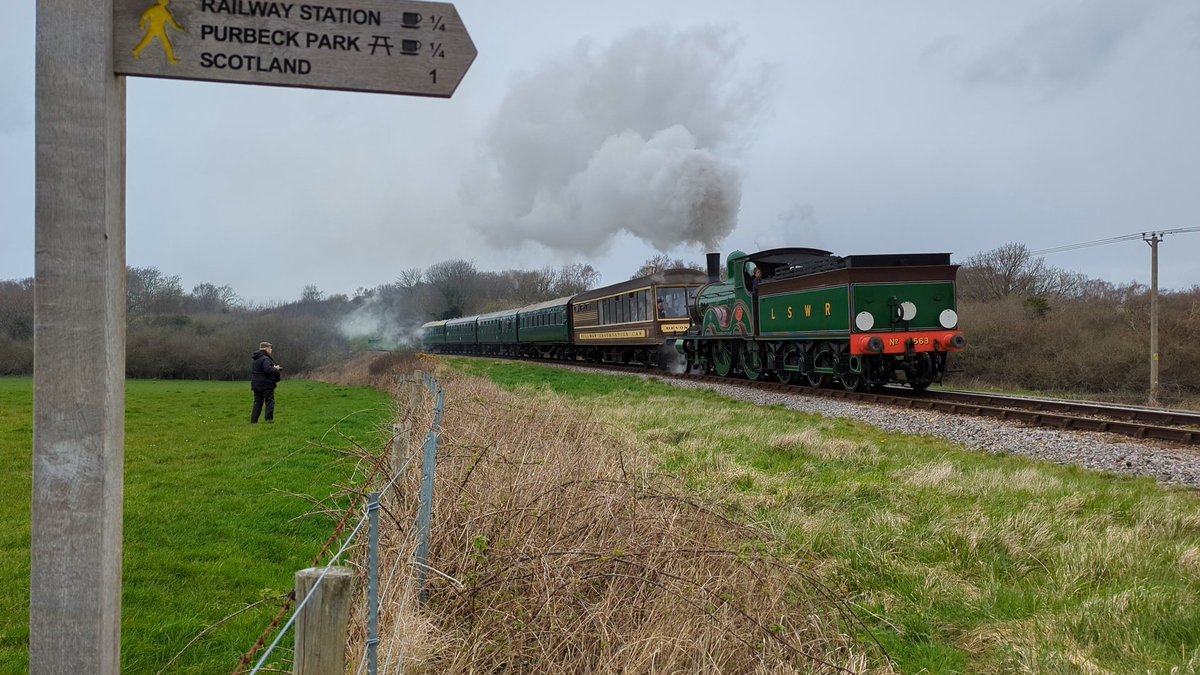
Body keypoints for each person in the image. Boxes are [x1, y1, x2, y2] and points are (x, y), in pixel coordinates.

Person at [250, 341, 282, 423]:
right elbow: (268, 369)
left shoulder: (256, 359)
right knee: (269, 402)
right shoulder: (265, 358)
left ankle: (253, 421)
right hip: (266, 384)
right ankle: (268, 420)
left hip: (256, 384)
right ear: (266, 349)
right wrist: (276, 368)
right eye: (270, 348)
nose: (271, 350)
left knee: (257, 403)